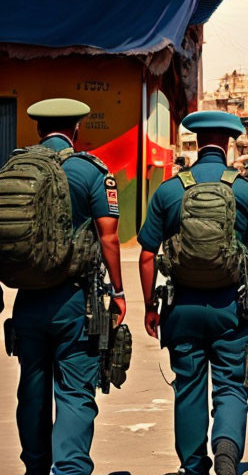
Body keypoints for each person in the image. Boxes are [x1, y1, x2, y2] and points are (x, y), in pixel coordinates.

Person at [138, 111, 248, 475]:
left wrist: (151, 306)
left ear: (196, 142)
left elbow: (147, 254)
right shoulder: (243, 191)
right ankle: (227, 449)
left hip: (182, 307)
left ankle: (193, 465)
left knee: (189, 386)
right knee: (230, 384)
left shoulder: (169, 190)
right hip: (230, 306)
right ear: (228, 144)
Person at [9, 98, 125, 474]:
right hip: (76, 300)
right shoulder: (90, 170)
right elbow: (109, 237)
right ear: (77, 129)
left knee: (32, 387)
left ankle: (35, 467)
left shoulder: (14, 168)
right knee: (75, 391)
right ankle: (71, 469)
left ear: (38, 130)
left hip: (27, 300)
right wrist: (119, 294)